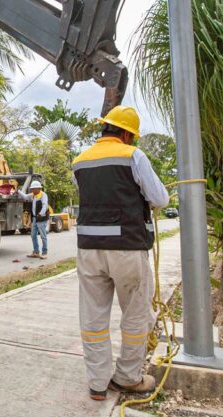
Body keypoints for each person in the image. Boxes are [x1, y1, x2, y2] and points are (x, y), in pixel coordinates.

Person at [72, 105, 169, 401]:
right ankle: (127, 377)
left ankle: (98, 384)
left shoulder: (79, 161)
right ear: (127, 134)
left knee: (93, 318)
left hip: (89, 250)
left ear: (105, 129)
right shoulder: (133, 156)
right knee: (136, 315)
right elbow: (160, 199)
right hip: (127, 248)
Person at [23, 180, 50, 259]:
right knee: (33, 235)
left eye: (33, 189)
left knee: (43, 236)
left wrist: (41, 213)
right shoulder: (33, 195)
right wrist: (17, 191)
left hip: (41, 218)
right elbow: (25, 196)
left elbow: (45, 205)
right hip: (35, 219)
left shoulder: (43, 195)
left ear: (38, 188)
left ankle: (44, 253)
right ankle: (36, 252)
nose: (32, 190)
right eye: (31, 189)